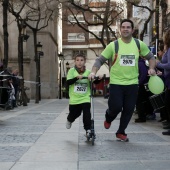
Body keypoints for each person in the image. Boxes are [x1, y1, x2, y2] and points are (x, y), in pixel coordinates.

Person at [88, 19, 156, 141]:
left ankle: (121, 132)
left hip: (133, 84)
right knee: (116, 107)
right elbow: (100, 60)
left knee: (129, 109)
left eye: (128, 27)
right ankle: (109, 117)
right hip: (116, 83)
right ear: (120, 30)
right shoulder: (113, 45)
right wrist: (93, 72)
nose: (125, 29)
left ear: (133, 30)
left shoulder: (138, 44)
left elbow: (151, 57)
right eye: (123, 27)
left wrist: (151, 68)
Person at [66, 53, 102, 138]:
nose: (79, 62)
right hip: (74, 99)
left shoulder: (88, 72)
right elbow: (68, 82)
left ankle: (88, 130)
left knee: (87, 113)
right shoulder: (71, 71)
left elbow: (94, 81)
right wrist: (76, 78)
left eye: (82, 60)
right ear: (75, 62)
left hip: (85, 97)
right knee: (75, 113)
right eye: (77, 60)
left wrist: (99, 79)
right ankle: (69, 119)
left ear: (84, 61)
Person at [156, 29, 170, 135]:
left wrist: (158, 64)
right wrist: (163, 73)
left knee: (167, 103)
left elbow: (169, 65)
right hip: (167, 79)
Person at [135, 57, 154, 123]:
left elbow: (143, 74)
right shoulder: (143, 63)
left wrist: (139, 82)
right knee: (144, 100)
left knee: (139, 101)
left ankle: (142, 117)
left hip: (142, 85)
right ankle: (144, 115)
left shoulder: (140, 63)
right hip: (144, 84)